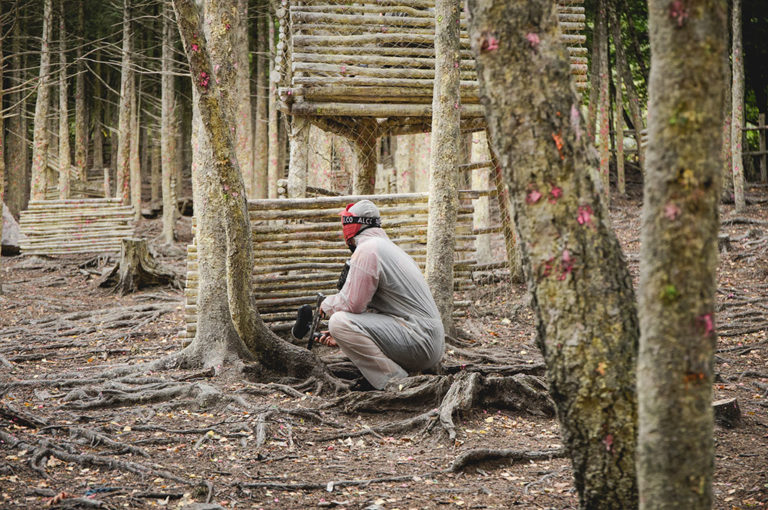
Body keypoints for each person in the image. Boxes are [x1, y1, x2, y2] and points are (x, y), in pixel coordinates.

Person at [317, 200, 445, 390]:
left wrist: (326, 305)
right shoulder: (389, 248)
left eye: (345, 223)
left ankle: (395, 382)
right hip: (429, 342)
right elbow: (381, 310)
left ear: (354, 225)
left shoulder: (368, 250)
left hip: (419, 340)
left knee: (338, 321)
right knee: (342, 326)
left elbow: (352, 304)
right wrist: (352, 333)